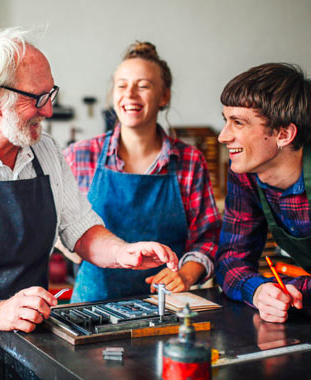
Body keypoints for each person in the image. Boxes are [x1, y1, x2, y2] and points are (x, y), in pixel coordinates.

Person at [0, 28, 179, 380]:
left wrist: (124, 252)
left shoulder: (45, 152)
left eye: (51, 94)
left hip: (32, 344)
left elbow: (80, 230)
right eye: (37, 97)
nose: (49, 109)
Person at [215, 62, 311, 324]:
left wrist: (279, 291)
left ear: (284, 134)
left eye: (238, 123)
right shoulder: (244, 175)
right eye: (226, 121)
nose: (223, 136)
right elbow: (228, 263)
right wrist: (259, 291)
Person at [63, 41, 221, 303]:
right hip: (91, 310)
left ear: (164, 96)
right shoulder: (79, 156)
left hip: (165, 306)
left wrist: (186, 274)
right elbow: (55, 226)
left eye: (144, 85)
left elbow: (208, 239)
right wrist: (74, 246)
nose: (130, 94)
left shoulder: (189, 161)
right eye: (122, 85)